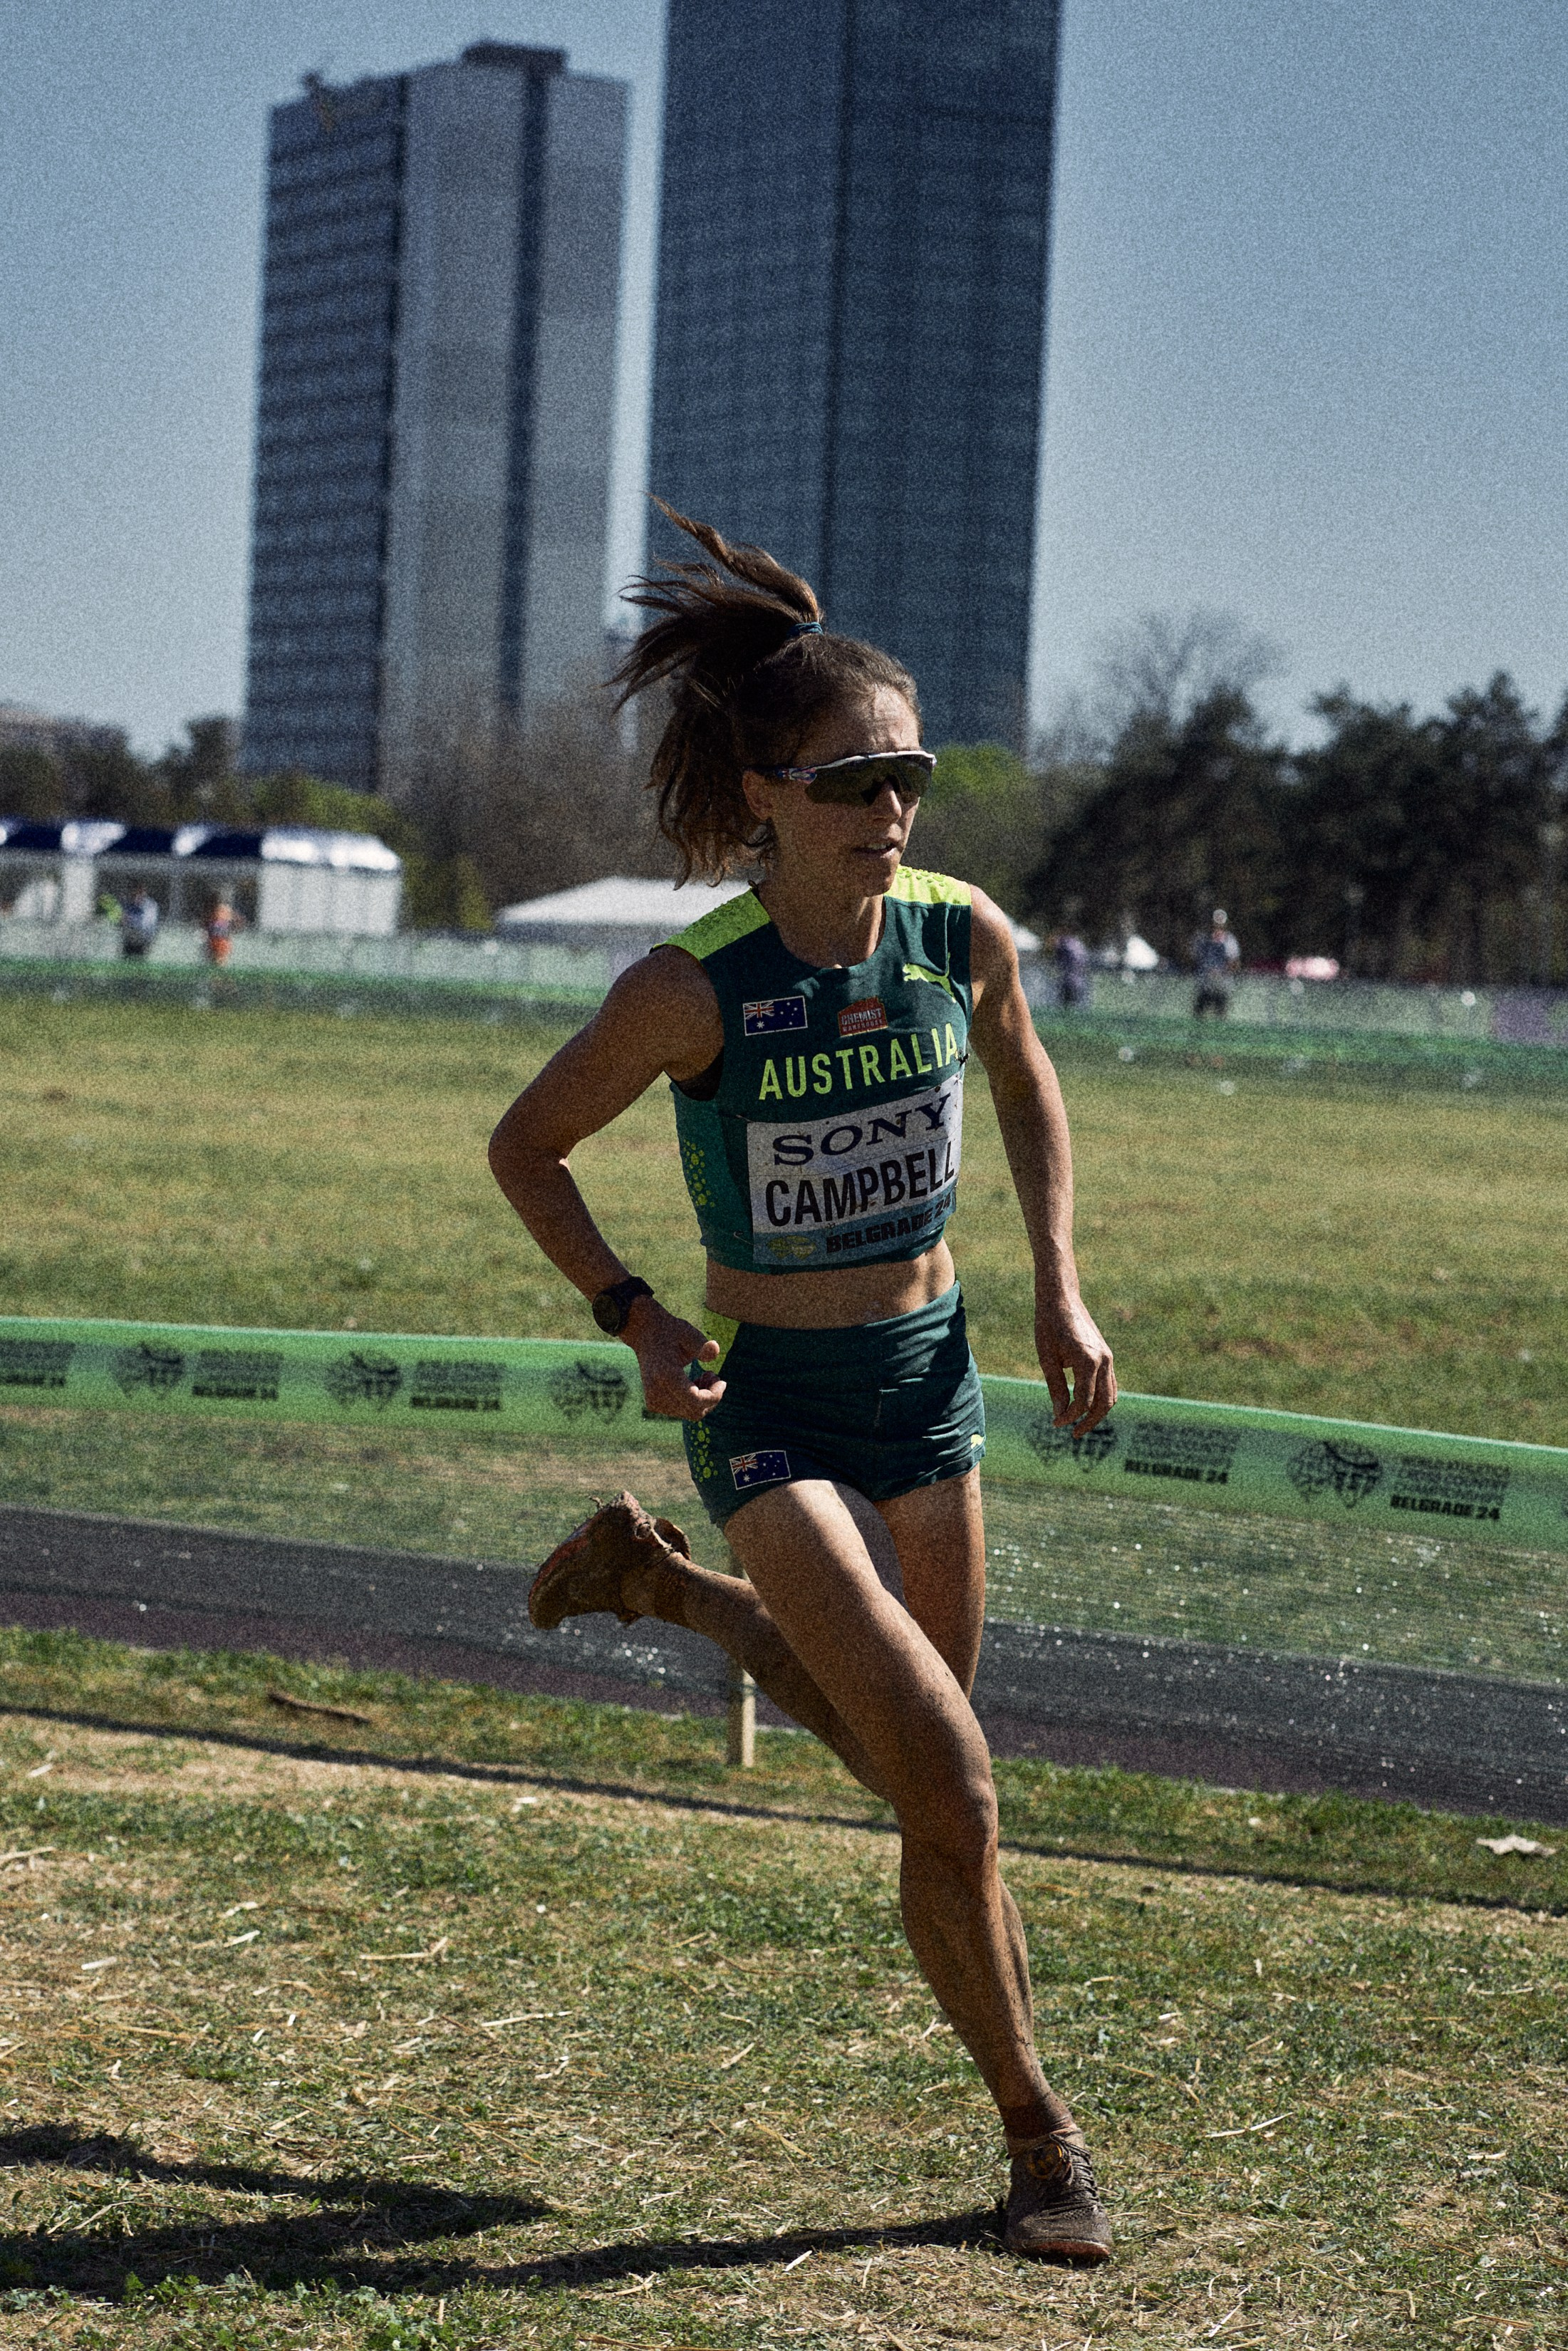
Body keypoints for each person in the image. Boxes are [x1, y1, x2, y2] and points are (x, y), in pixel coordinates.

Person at [487, 509, 1118, 2264]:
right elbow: (525, 1145)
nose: (892, 801)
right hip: (769, 1411)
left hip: (929, 1390)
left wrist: (1058, 1284)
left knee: (909, 1763)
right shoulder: (690, 992)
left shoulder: (955, 932)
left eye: (905, 768)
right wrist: (629, 1309)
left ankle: (666, 1592)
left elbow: (1028, 1082)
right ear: (763, 794)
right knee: (959, 1794)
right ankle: (1039, 2138)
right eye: (852, 777)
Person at [1191, 908, 1240, 1017]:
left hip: (1222, 983)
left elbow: (1235, 962)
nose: (1218, 924)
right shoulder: (1203, 938)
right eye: (1216, 921)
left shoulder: (1230, 940)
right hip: (1205, 983)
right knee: (1199, 1013)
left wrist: (1221, 971)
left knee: (1220, 1012)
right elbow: (1195, 958)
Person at [1052, 928, 1090, 1010]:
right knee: (1071, 1003)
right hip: (1076, 979)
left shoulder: (1067, 944)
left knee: (1067, 1002)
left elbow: (1060, 958)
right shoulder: (1078, 945)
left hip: (1070, 979)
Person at [203, 896, 244, 965]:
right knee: (219, 961)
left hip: (218, 939)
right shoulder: (226, 911)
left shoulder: (215, 911)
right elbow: (237, 923)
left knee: (215, 961)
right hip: (220, 939)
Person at [120, 891, 159, 960]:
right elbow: (124, 920)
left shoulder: (149, 906)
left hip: (142, 937)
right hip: (131, 936)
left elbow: (148, 924)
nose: (138, 898)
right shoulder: (132, 907)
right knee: (127, 956)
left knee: (139, 957)